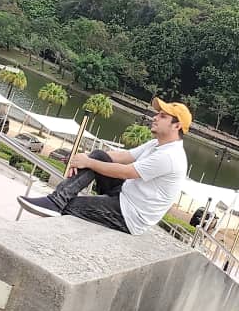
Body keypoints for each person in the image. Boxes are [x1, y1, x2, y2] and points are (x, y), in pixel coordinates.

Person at [16, 97, 192, 236]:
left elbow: (127, 172)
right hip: (123, 194)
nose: (155, 117)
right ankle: (55, 200)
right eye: (158, 114)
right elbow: (124, 156)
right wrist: (84, 158)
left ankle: (56, 203)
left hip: (129, 215)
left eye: (162, 116)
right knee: (99, 155)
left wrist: (88, 163)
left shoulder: (170, 156)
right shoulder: (157, 144)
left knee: (70, 206)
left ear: (177, 126)